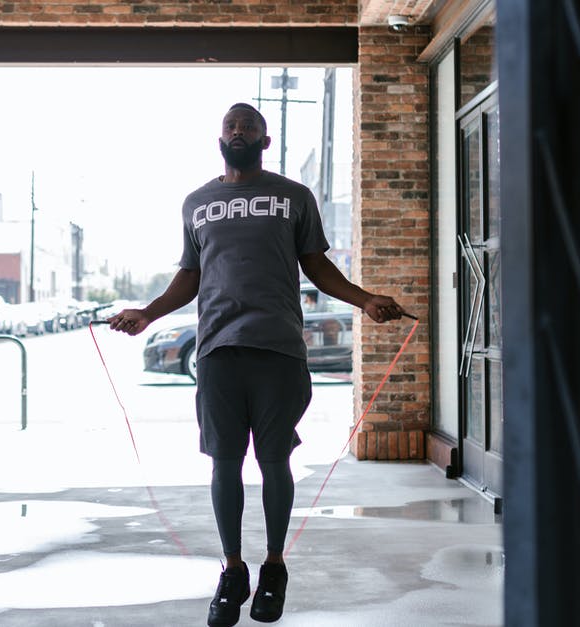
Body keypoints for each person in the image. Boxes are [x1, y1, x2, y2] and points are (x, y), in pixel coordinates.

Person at [107, 102, 407, 626]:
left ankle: (273, 567)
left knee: (273, 460)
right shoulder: (197, 203)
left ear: (265, 140)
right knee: (224, 460)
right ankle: (232, 570)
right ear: (219, 137)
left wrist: (364, 299)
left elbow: (316, 265)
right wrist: (148, 314)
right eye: (231, 125)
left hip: (279, 349)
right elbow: (189, 275)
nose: (239, 130)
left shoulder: (293, 197)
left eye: (249, 125)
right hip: (218, 351)